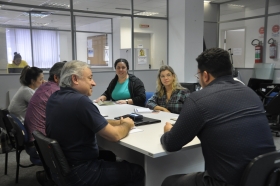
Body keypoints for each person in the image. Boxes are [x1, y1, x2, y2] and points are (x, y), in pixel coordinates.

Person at [161, 48, 275, 186]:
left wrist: (168, 132)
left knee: (169, 182)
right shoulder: (250, 93)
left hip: (227, 182)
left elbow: (171, 144)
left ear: (205, 75)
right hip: (265, 177)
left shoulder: (199, 99)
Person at [46, 60, 145, 186]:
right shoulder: (81, 101)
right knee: (137, 171)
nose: (94, 83)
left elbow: (87, 121)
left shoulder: (54, 98)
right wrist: (127, 124)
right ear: (75, 79)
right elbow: (114, 136)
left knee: (108, 155)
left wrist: (115, 122)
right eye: (90, 78)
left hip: (60, 169)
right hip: (81, 172)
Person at [24, 62, 65, 164]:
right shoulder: (56, 92)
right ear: (56, 78)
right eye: (68, 77)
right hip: (40, 146)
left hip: (35, 141)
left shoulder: (45, 86)